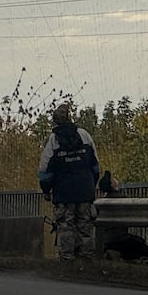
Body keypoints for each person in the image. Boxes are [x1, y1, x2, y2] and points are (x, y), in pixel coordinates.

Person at [38, 103, 101, 260]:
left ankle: (67, 258)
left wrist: (46, 189)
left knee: (66, 225)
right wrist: (92, 183)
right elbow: (95, 165)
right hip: (85, 189)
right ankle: (86, 258)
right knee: (85, 224)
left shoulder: (52, 140)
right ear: (70, 117)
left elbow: (45, 169)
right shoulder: (84, 135)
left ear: (55, 120)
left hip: (63, 191)